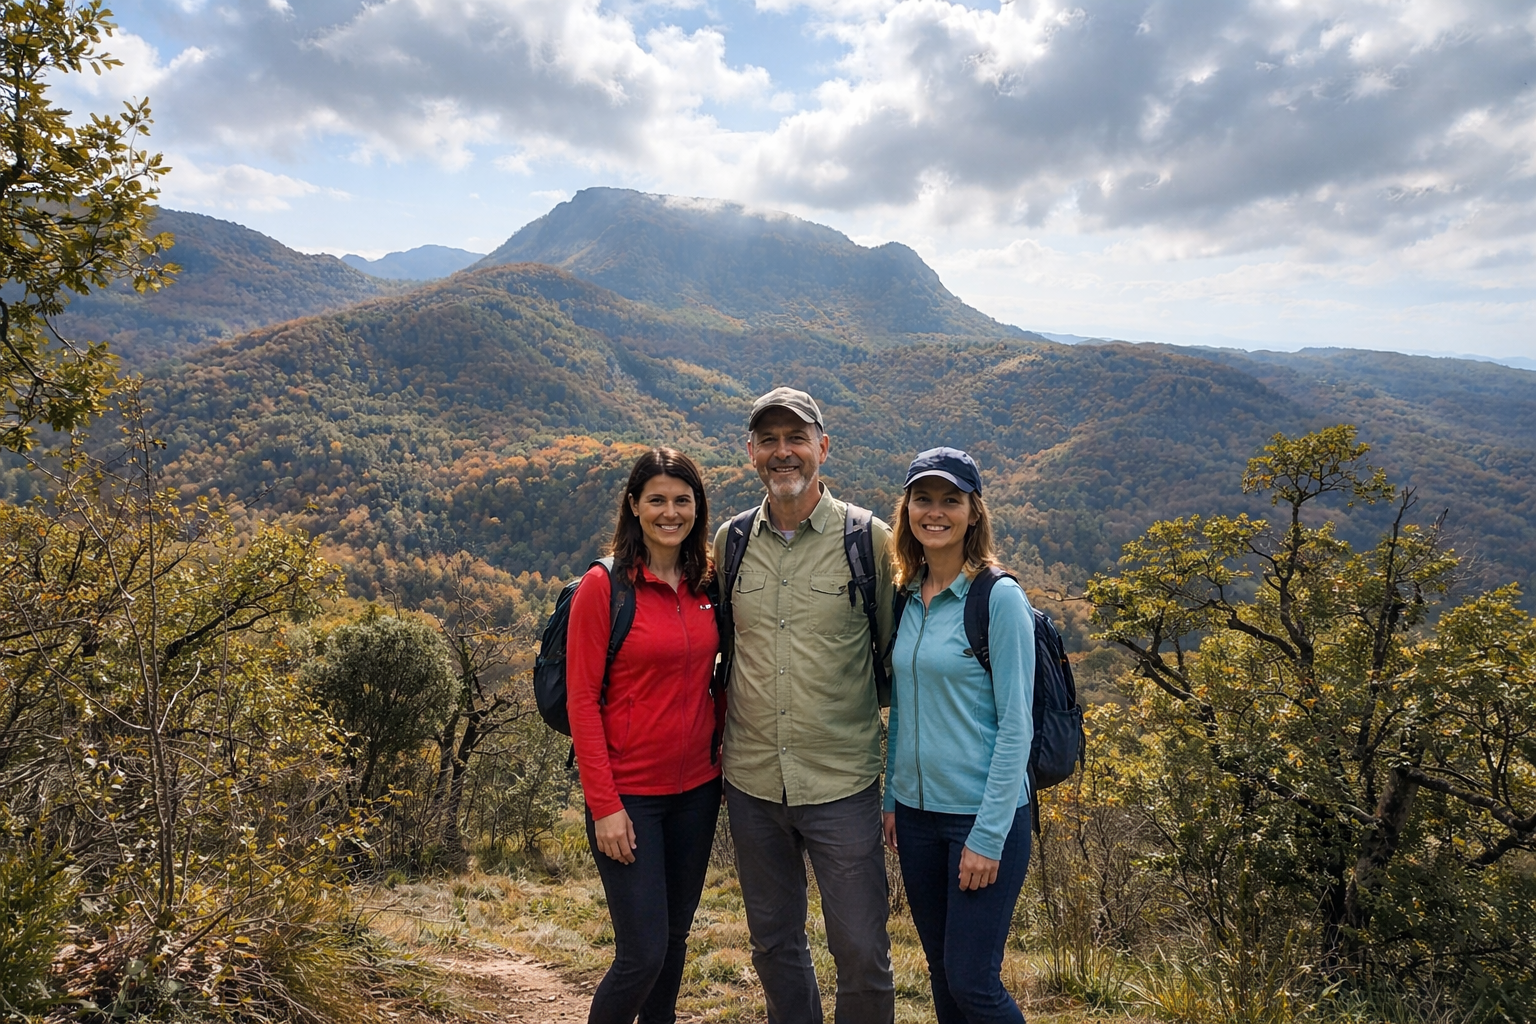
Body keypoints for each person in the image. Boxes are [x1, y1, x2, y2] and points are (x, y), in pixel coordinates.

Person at [713, 386, 896, 1024]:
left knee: (863, 950)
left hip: (842, 783)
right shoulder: (730, 542)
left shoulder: (867, 540)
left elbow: (894, 664)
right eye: (769, 440)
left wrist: (895, 784)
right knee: (773, 946)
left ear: (823, 447)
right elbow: (728, 652)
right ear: (751, 453)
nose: (783, 452)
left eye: (797, 439)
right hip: (754, 782)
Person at [567, 447, 723, 1024]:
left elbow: (721, 676)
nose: (670, 512)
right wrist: (604, 805)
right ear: (634, 506)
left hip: (698, 792)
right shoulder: (604, 586)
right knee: (642, 954)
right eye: (656, 499)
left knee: (674, 944)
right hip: (629, 796)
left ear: (697, 507)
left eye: (682, 500)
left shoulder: (706, 582)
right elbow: (582, 700)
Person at [881, 447, 1036, 1024]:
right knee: (944, 977)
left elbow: (1017, 725)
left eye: (951, 500)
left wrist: (989, 835)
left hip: (981, 817)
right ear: (908, 510)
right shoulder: (908, 596)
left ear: (974, 512)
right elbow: (905, 704)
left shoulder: (998, 599)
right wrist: (893, 797)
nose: (935, 512)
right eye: (924, 499)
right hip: (917, 819)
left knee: (974, 983)